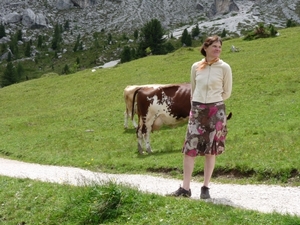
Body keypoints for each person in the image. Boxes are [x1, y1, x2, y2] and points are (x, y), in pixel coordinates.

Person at [169, 35, 232, 199]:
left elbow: (227, 92)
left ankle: (205, 187)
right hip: (197, 110)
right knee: (190, 149)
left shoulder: (225, 67)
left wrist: (212, 102)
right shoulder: (196, 66)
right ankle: (185, 188)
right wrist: (196, 106)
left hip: (215, 110)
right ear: (205, 48)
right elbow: (193, 88)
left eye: (220, 47)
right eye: (214, 46)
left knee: (211, 150)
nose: (218, 49)